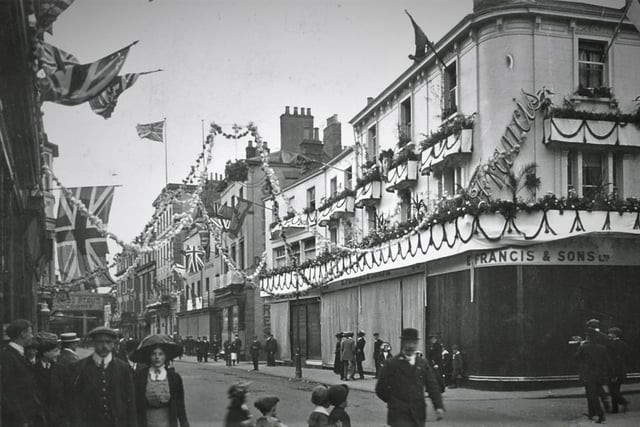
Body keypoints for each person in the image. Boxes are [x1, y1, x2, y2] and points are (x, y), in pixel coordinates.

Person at [66, 326, 137, 427]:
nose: (104, 346)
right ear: (93, 343)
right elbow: (74, 402)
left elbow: (131, 402)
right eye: (100, 342)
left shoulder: (123, 368)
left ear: (113, 344)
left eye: (108, 342)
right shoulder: (80, 367)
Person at [376, 328, 445, 427]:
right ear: (403, 343)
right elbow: (380, 389)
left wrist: (438, 406)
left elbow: (432, 386)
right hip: (398, 415)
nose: (411, 346)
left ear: (417, 343)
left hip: (418, 414)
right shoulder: (391, 364)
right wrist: (394, 401)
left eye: (414, 342)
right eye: (408, 342)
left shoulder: (422, 363)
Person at [131, 334, 189, 427]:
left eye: (160, 354)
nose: (157, 357)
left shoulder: (174, 378)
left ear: (166, 356)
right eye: (154, 354)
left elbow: (180, 406)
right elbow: (134, 406)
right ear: (149, 356)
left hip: (168, 422)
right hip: (145, 422)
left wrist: (184, 424)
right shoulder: (140, 377)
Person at [0, 319, 45, 427]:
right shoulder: (7, 357)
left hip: (27, 417)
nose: (32, 336)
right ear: (22, 334)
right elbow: (8, 393)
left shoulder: (18, 354)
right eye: (30, 332)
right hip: (19, 420)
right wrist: (22, 420)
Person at [576, 328, 608, 424]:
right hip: (599, 374)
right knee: (595, 393)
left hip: (588, 374)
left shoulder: (583, 347)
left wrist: (580, 345)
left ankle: (600, 414)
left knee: (592, 395)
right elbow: (605, 362)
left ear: (588, 337)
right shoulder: (602, 348)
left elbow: (577, 358)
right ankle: (591, 413)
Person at [33, 331, 61, 427]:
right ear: (45, 353)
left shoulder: (62, 370)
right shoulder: (33, 370)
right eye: (55, 351)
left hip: (58, 420)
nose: (58, 354)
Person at [606, 327, 631, 414]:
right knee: (616, 389)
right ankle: (615, 408)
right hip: (621, 370)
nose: (609, 335)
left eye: (611, 333)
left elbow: (611, 360)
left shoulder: (611, 345)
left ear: (615, 334)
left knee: (612, 390)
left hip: (614, 371)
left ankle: (622, 403)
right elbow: (627, 358)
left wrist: (613, 374)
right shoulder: (623, 344)